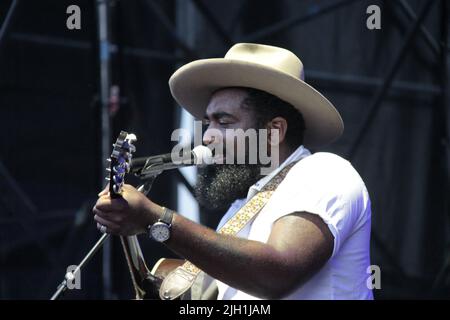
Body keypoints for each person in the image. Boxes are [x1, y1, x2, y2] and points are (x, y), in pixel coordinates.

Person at [93, 43, 373, 300]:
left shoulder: (324, 171)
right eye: (207, 122)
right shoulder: (240, 210)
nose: (207, 137)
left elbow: (275, 276)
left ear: (274, 131)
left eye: (223, 122)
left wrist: (158, 219)